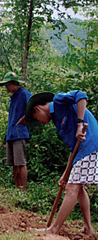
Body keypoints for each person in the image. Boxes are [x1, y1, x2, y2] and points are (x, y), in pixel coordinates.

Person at [24, 90, 98, 235]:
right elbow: (73, 149)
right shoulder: (58, 122)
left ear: (37, 108)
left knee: (72, 188)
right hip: (81, 150)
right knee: (78, 187)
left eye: (36, 118)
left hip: (91, 144)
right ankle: (88, 228)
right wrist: (66, 173)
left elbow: (81, 96)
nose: (40, 122)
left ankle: (54, 229)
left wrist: (79, 124)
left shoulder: (58, 101)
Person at [0, 72, 32, 191]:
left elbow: (33, 108)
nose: (6, 87)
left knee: (20, 162)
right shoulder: (13, 97)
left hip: (20, 133)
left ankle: (23, 189)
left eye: (8, 85)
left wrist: (25, 119)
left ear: (15, 83)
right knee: (13, 163)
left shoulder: (24, 94)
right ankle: (17, 188)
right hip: (11, 134)